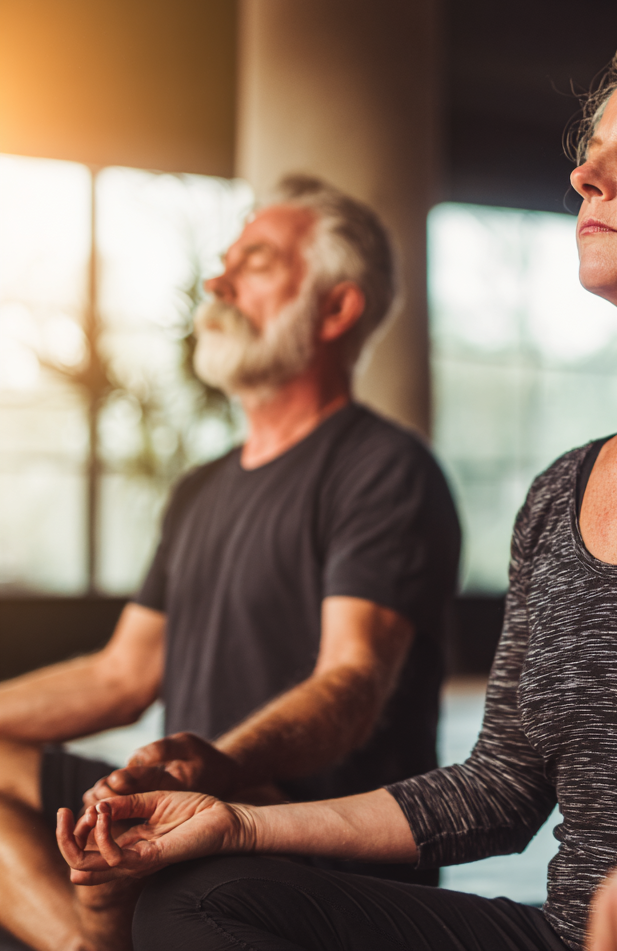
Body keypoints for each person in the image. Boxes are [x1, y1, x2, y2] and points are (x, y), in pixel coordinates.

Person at [60, 18, 617, 951]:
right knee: (202, 897)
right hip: (578, 937)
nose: (587, 175)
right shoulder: (562, 491)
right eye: (591, 151)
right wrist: (238, 821)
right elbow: (500, 789)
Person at [0, 175, 460, 951]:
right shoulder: (200, 489)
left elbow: (350, 683)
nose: (217, 281)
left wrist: (215, 767)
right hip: (182, 807)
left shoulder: (386, 469)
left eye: (256, 260)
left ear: (336, 308)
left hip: (298, 830)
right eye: (224, 261)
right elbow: (121, 676)